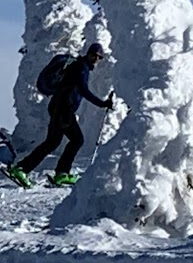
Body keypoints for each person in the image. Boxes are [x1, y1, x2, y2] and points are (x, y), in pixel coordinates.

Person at [7, 42, 115, 188]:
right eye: (94, 55)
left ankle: (48, 172)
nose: (95, 59)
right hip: (64, 109)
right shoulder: (81, 67)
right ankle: (30, 170)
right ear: (88, 54)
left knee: (63, 141)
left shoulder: (78, 66)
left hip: (60, 108)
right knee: (68, 141)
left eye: (99, 57)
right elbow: (83, 90)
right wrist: (102, 103)